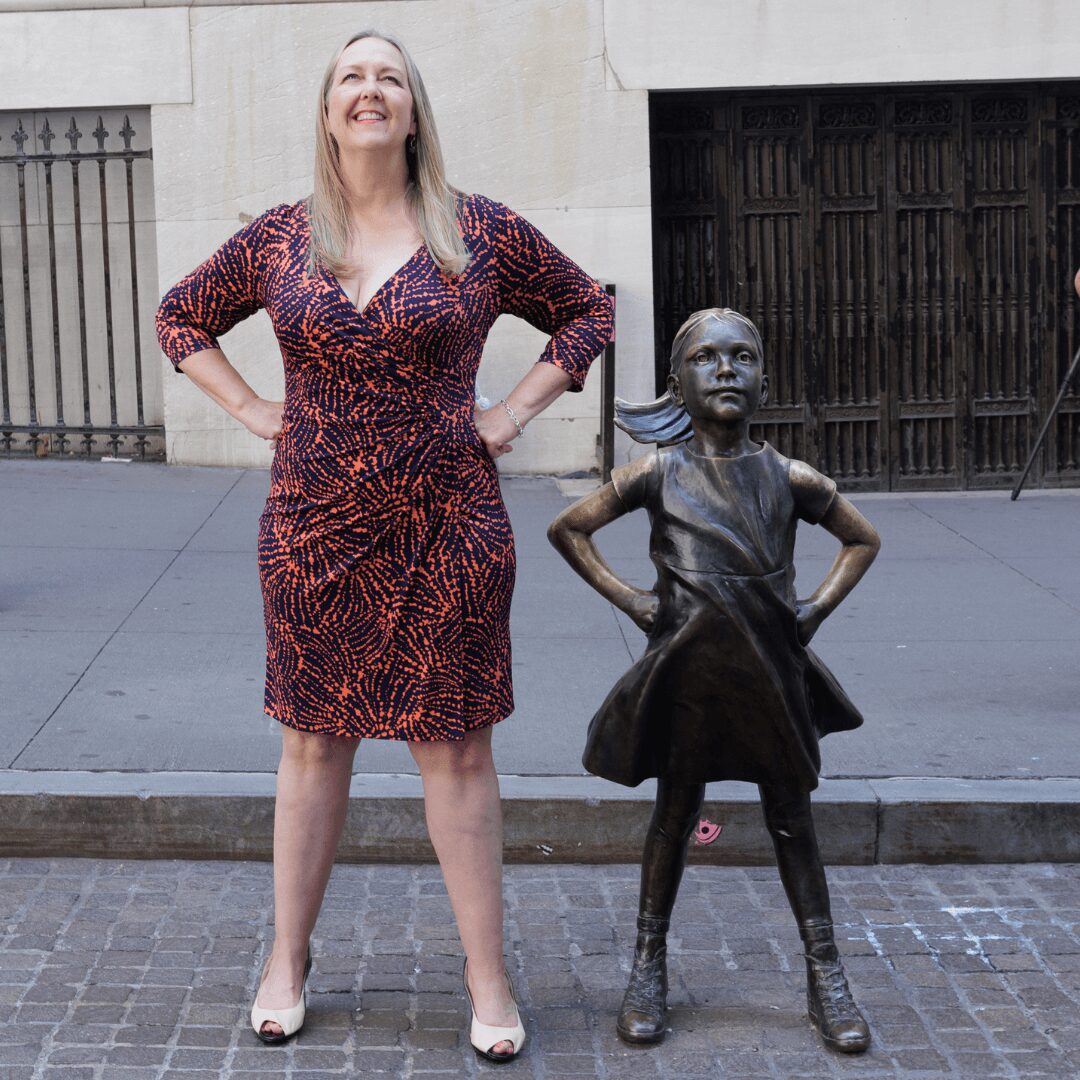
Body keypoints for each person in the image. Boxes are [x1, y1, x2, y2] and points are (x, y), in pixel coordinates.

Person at [155, 29, 613, 1062]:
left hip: (448, 520)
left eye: (389, 79)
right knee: (313, 741)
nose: (370, 91)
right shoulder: (280, 238)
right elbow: (181, 316)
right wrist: (252, 409)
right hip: (313, 527)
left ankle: (485, 974)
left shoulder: (476, 231)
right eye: (352, 78)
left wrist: (512, 414)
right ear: (327, 112)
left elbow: (588, 311)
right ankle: (288, 958)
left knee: (454, 747)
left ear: (414, 113)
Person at [547, 308, 880, 1054]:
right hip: (689, 678)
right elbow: (570, 528)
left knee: (793, 820)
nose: (726, 370)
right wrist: (635, 601)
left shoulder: (789, 477)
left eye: (742, 358)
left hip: (770, 673)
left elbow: (862, 538)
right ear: (678, 382)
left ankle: (826, 973)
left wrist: (814, 611)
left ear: (764, 378)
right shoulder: (657, 473)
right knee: (674, 817)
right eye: (706, 358)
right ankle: (648, 965)